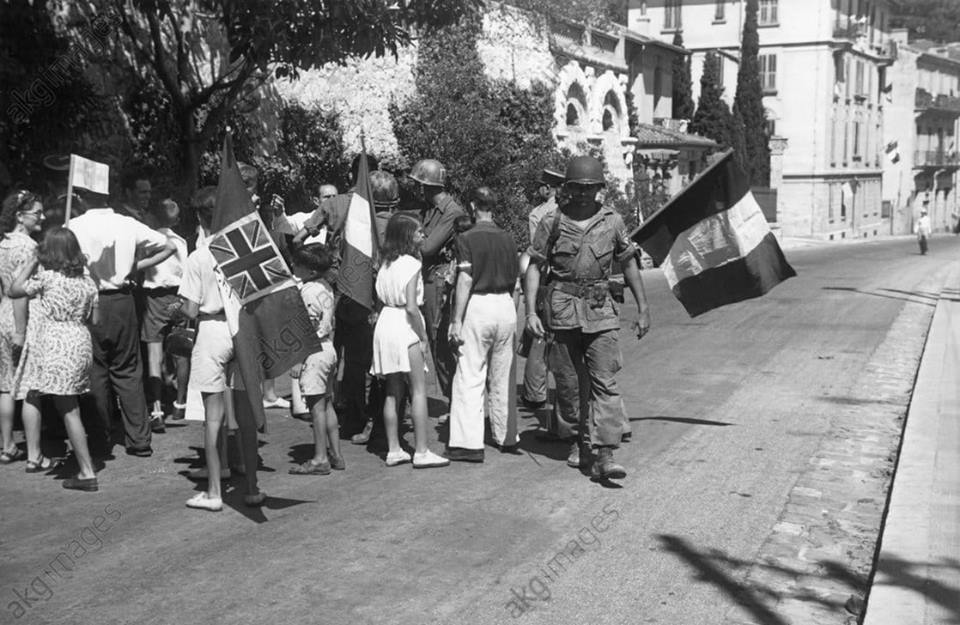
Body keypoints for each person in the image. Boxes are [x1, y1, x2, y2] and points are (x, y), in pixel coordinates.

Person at [524, 156, 651, 481]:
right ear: (567, 188)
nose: (583, 193)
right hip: (562, 308)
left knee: (604, 382)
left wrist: (643, 307)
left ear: (599, 189)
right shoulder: (551, 222)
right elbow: (535, 266)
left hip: (599, 305)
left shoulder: (613, 222)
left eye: (589, 188)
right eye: (577, 188)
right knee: (567, 386)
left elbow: (628, 262)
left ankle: (605, 453)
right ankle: (581, 440)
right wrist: (529, 312)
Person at [67, 186, 176, 457]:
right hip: (123, 300)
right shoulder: (126, 223)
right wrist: (134, 267)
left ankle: (100, 440)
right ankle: (139, 439)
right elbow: (169, 246)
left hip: (90, 298)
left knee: (97, 370)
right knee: (127, 368)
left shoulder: (74, 225)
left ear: (81, 198)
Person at [293, 155, 382, 439]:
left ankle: (334, 410)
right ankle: (364, 416)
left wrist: (308, 263)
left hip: (334, 288)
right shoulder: (382, 209)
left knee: (330, 352)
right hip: (369, 290)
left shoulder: (332, 204)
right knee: (362, 358)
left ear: (349, 173)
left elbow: (298, 238)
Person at [8, 227, 99, 491]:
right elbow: (96, 320)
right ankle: (86, 468)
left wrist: (32, 261)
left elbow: (14, 290)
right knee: (70, 407)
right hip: (81, 341)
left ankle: (86, 471)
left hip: (56, 343)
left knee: (69, 410)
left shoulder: (47, 279)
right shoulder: (88, 281)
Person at [446, 187, 519, 463]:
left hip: (478, 304)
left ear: (473, 206)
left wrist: (456, 318)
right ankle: (506, 435)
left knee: (470, 372)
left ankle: (467, 443)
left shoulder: (466, 237)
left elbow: (465, 279)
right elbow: (516, 283)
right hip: (505, 305)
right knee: (503, 372)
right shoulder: (509, 238)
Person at [370, 213, 449, 469]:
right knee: (418, 390)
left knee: (392, 391)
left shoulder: (385, 264)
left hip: (385, 323)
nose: (422, 236)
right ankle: (422, 451)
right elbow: (413, 308)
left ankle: (394, 449)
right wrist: (424, 338)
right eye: (418, 232)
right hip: (404, 323)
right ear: (406, 235)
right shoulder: (412, 264)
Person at [348, 170, 405, 446]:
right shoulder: (405, 225)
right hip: (399, 306)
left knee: (374, 368)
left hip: (371, 306)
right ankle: (392, 421)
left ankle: (373, 422)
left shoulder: (362, 227)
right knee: (397, 369)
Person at [407, 158, 466, 401]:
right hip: (428, 276)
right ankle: (455, 398)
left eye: (419, 184)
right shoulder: (430, 209)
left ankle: (457, 399)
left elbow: (429, 247)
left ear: (427, 186)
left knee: (439, 339)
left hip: (439, 278)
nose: (417, 189)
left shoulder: (450, 211)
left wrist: (409, 238)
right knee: (433, 340)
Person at [288, 244, 344, 475]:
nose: (293, 266)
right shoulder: (324, 286)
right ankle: (336, 454)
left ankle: (320, 458)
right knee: (326, 403)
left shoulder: (308, 291)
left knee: (316, 408)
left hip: (314, 352)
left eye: (298, 264)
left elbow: (308, 327)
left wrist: (298, 360)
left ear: (310, 271)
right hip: (328, 349)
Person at [0, 190, 46, 468]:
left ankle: (7, 446)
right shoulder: (29, 247)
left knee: (5, 385)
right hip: (23, 317)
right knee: (30, 387)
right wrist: (20, 328)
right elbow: (21, 292)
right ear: (19, 216)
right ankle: (34, 454)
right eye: (36, 212)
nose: (41, 216)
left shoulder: (1, 245)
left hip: (3, 312)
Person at [140, 199, 190, 431]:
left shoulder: (148, 240)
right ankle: (180, 403)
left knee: (154, 353)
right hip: (178, 297)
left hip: (155, 299)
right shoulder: (181, 241)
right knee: (181, 350)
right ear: (177, 220)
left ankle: (157, 409)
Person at [521, 168, 565, 411]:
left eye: (541, 185)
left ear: (548, 188)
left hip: (547, 282)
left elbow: (537, 253)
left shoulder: (538, 214)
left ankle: (535, 395)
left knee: (539, 340)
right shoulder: (583, 212)